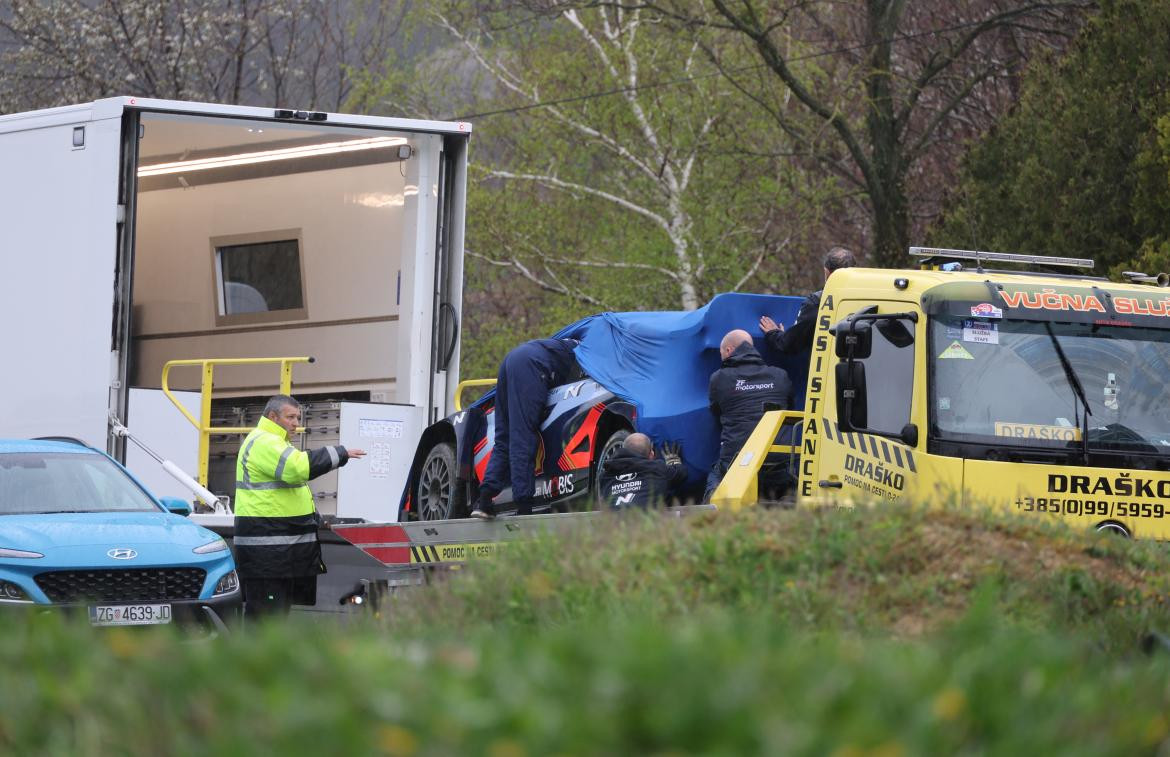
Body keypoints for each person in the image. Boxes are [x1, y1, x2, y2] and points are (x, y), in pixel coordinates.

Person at [233, 394, 366, 619]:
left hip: (274, 555)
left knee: (272, 619)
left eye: (298, 417)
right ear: (273, 417)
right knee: (266, 620)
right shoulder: (265, 442)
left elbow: (286, 494)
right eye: (291, 417)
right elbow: (299, 468)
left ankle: (268, 655)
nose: (296, 423)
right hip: (268, 555)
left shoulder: (272, 442)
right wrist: (340, 453)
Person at [471, 337, 580, 519]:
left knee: (504, 438)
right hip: (530, 365)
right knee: (523, 435)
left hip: (512, 360)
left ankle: (484, 501)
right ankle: (524, 507)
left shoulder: (564, 342)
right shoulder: (585, 352)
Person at [706, 330, 793, 501]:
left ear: (729, 350)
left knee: (715, 479)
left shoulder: (719, 379)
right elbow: (789, 409)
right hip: (780, 461)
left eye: (721, 353)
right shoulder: (780, 375)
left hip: (739, 460)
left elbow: (716, 413)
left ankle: (712, 519)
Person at [760, 246, 857, 354]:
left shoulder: (818, 303)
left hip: (824, 370)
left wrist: (773, 334)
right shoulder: (865, 299)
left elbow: (789, 345)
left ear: (827, 272)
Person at [598, 433, 687, 510]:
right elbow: (682, 473)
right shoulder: (658, 469)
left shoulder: (605, 477)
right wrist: (673, 461)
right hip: (644, 525)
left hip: (613, 527)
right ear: (651, 455)